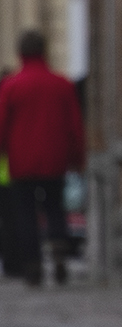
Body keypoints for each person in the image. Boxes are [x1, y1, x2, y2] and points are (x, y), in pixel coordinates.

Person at [0, 31, 84, 286]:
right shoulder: (62, 84)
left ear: (20, 53)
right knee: (55, 208)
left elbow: (2, 125)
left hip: (21, 161)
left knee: (25, 214)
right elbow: (74, 125)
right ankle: (59, 247)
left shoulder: (12, 85)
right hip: (54, 159)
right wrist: (77, 157)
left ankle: (33, 265)